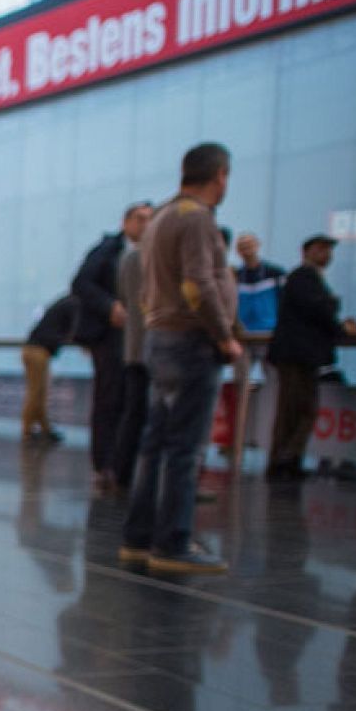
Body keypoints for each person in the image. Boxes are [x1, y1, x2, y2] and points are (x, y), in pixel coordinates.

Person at [120, 143, 241, 574]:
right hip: (190, 341)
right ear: (220, 175)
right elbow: (197, 285)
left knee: (155, 443)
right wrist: (225, 337)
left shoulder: (161, 218)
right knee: (184, 449)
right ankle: (172, 542)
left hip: (161, 338)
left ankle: (139, 537)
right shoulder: (196, 218)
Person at [72, 202, 155, 490]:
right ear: (126, 222)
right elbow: (81, 283)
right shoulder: (108, 250)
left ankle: (122, 464)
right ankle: (105, 462)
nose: (145, 225)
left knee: (131, 400)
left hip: (139, 336)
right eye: (139, 219)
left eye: (149, 220)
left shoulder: (151, 254)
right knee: (110, 398)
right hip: (110, 334)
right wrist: (110, 307)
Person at [265, 235, 348, 481]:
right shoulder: (303, 277)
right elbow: (318, 309)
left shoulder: (306, 279)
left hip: (299, 354)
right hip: (297, 354)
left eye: (328, 250)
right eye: (321, 249)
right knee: (298, 409)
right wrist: (338, 325)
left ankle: (285, 459)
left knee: (295, 408)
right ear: (306, 251)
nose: (326, 254)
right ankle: (286, 459)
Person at [112, 232, 148, 488]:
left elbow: (123, 296)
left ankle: (122, 472)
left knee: (134, 412)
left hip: (135, 346)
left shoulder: (129, 258)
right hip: (158, 347)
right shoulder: (155, 258)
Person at [21, 295, 80, 443]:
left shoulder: (65, 303)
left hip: (35, 349)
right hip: (38, 351)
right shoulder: (75, 305)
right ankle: (28, 431)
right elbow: (76, 330)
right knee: (36, 393)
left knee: (39, 392)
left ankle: (44, 429)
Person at [235, 232, 287, 333]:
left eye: (249, 245)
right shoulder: (235, 277)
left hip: (270, 331)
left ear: (257, 245)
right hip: (244, 332)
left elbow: (286, 301)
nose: (246, 249)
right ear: (238, 251)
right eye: (242, 247)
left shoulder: (276, 273)